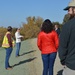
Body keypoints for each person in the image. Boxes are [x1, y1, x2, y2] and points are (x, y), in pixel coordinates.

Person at [58, 0, 75, 75]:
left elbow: (62, 48)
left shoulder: (67, 26)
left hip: (72, 67)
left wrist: (63, 61)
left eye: (69, 10)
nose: (68, 12)